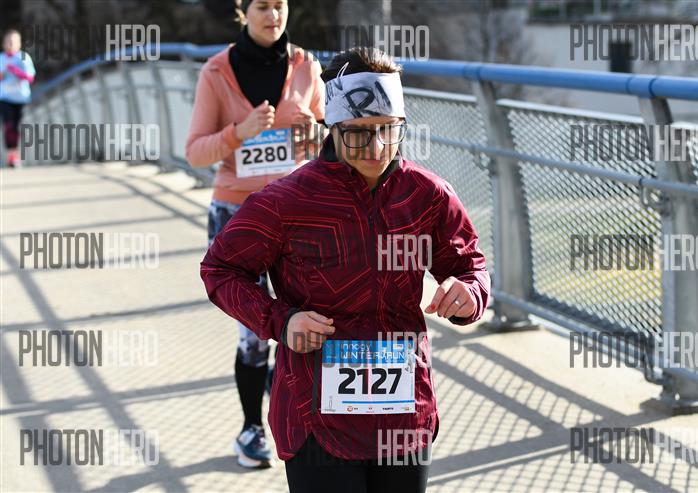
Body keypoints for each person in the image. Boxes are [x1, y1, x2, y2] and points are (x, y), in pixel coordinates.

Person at [200, 46, 490, 492]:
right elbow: (220, 269)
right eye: (357, 133)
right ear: (332, 127)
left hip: (402, 412)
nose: (376, 148)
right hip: (315, 413)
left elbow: (470, 264)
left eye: (387, 130)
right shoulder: (286, 201)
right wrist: (281, 320)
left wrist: (469, 293)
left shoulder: (428, 195)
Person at [185, 0, 325, 468]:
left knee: (302, 317)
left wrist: (317, 134)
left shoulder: (306, 66)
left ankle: (301, 417)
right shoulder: (216, 72)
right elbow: (195, 153)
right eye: (262, 6)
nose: (273, 15)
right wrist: (237, 133)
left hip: (296, 212)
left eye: (280, 5)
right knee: (254, 331)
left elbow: (331, 143)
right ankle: (251, 430)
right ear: (243, 11)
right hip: (237, 213)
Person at [0, 29, 36, 168]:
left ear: (19, 44)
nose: (10, 44)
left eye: (13, 41)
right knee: (8, 125)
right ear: (3, 43)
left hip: (21, 98)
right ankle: (11, 155)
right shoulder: (1, 58)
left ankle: (16, 154)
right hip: (5, 98)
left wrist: (16, 71)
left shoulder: (23, 57)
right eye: (7, 41)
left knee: (18, 127)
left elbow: (30, 77)